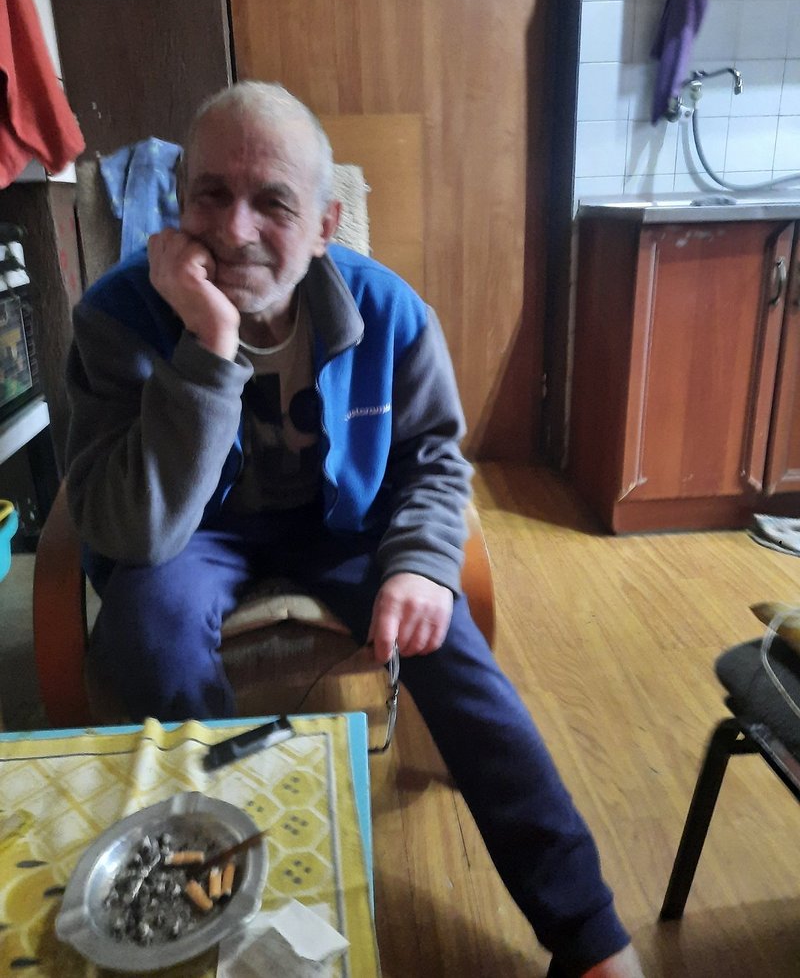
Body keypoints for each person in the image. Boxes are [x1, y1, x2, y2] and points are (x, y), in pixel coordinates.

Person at [64, 81, 644, 978]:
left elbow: (434, 459)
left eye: (274, 203)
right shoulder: (114, 317)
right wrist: (208, 341)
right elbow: (131, 529)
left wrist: (421, 565)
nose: (237, 229)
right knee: (145, 629)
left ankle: (590, 934)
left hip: (345, 526)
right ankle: (218, 887)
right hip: (193, 533)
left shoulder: (392, 312)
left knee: (456, 647)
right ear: (179, 203)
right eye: (212, 193)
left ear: (326, 225)